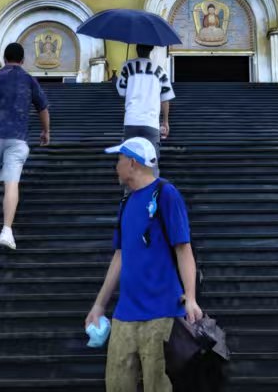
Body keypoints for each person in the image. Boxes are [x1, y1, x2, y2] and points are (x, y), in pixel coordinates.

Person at [85, 138, 203, 392]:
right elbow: (120, 256)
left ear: (132, 163)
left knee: (159, 386)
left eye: (118, 160)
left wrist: (191, 298)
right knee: (116, 385)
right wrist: (99, 305)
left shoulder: (166, 194)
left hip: (163, 314)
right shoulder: (126, 203)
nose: (116, 166)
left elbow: (183, 248)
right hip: (125, 315)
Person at [0, 40, 50, 250]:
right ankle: (7, 231)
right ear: (22, 60)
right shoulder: (29, 80)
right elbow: (43, 108)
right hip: (18, 137)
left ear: (4, 59)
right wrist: (46, 131)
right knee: (11, 183)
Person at [116, 43, 174, 147]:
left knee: (131, 159)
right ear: (151, 49)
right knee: (151, 159)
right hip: (151, 122)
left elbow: (121, 92)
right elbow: (165, 99)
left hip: (131, 120)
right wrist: (165, 122)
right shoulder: (161, 70)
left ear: (137, 49)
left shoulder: (127, 66)